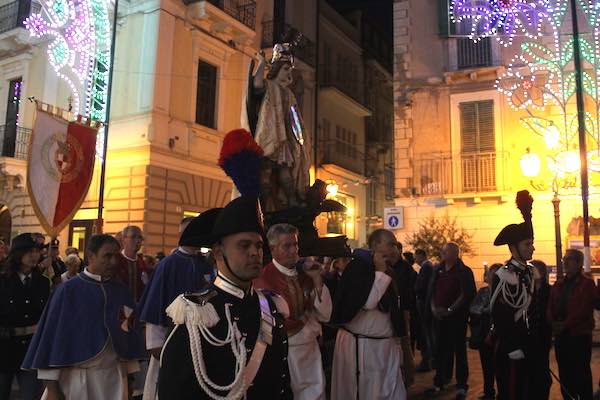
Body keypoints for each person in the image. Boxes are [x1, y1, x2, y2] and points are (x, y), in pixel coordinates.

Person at [158, 196, 292, 399]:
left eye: (258, 245)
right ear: (219, 253)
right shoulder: (196, 313)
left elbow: (280, 384)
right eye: (244, 246)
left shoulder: (273, 307)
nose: (255, 252)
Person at [22, 234, 145, 400]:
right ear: (91, 256)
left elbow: (127, 333)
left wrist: (130, 377)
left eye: (116, 256)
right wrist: (52, 387)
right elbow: (53, 339)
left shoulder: (121, 292)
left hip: (116, 378)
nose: (113, 262)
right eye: (107, 256)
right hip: (77, 380)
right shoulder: (68, 291)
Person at [137, 208, 221, 400]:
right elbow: (155, 305)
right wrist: (158, 347)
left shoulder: (206, 264)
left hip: (204, 345)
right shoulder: (167, 265)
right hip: (171, 344)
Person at [254, 223, 332, 400]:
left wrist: (317, 280)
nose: (293, 250)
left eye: (295, 244)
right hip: (285, 352)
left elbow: (325, 315)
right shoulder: (263, 280)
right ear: (273, 249)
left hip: (311, 349)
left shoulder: (306, 273)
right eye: (286, 246)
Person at [330, 236, 408, 399]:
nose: (394, 249)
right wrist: (379, 272)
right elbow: (368, 303)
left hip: (386, 347)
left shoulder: (390, 271)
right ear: (375, 245)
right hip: (365, 349)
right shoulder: (357, 268)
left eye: (395, 245)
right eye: (390, 244)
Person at [244, 43, 311, 210]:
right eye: (286, 69)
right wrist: (261, 62)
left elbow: (295, 118)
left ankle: (291, 200)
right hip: (267, 136)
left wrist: (300, 138)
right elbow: (256, 85)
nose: (289, 73)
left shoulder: (288, 93)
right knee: (265, 174)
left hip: (283, 138)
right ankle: (264, 206)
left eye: (290, 70)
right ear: (277, 69)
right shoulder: (268, 86)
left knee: (285, 172)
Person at [491, 190, 539, 399]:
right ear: (513, 247)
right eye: (527, 245)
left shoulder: (529, 273)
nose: (532, 248)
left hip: (529, 343)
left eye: (531, 243)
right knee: (513, 392)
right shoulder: (503, 275)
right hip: (512, 346)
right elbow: (500, 315)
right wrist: (512, 346)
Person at [0, 234, 50, 400]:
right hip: (4, 350)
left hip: (30, 351)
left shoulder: (42, 282)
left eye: (36, 251)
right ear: (17, 254)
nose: (33, 255)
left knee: (31, 395)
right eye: (28, 251)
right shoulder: (3, 281)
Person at [425, 242, 476, 399]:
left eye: (446, 252)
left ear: (455, 254)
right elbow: (431, 290)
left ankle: (462, 384)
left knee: (459, 351)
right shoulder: (437, 270)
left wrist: (450, 310)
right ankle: (440, 380)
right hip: (439, 317)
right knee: (440, 350)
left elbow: (466, 293)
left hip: (456, 318)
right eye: (443, 251)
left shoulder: (464, 271)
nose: (443, 254)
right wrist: (433, 308)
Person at [547, 249, 598, 400]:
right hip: (562, 335)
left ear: (579, 263)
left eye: (569, 259)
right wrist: (552, 322)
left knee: (581, 372)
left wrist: (565, 324)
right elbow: (550, 304)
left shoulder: (587, 284)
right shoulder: (559, 283)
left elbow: (582, 309)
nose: (565, 262)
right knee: (565, 372)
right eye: (564, 259)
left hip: (578, 335)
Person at [469, 263, 502, 400]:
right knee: (486, 364)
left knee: (500, 365)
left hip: (500, 334)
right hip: (484, 333)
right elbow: (473, 308)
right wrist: (487, 310)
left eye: (490, 274)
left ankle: (503, 392)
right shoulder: (483, 292)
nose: (487, 275)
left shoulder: (503, 291)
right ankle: (488, 392)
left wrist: (485, 310)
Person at [529, 259, 552, 399]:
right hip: (528, 335)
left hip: (543, 333)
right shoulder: (526, 289)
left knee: (542, 366)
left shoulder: (549, 290)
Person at [414, 248, 435, 372]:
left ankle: (429, 360)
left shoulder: (426, 267)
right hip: (425, 304)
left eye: (416, 256)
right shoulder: (428, 266)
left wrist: (416, 288)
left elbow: (421, 286)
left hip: (424, 305)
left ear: (421, 255)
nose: (415, 259)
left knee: (427, 333)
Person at [115, 225, 147, 302]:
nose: (137, 241)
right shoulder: (116, 261)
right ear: (124, 239)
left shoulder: (142, 263)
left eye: (140, 238)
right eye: (133, 237)